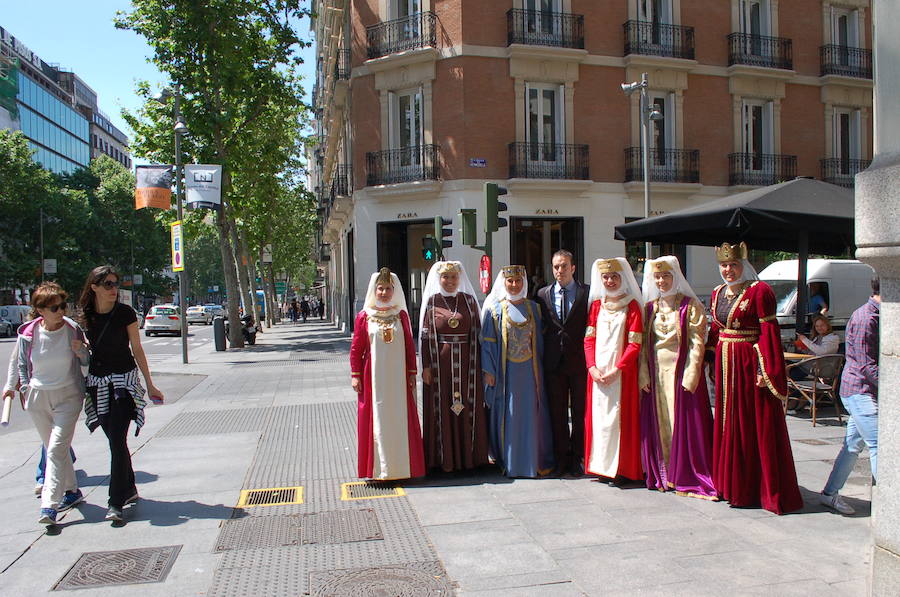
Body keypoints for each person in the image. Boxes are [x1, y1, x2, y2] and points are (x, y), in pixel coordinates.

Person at [707, 242, 803, 514]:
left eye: (733, 265)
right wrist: (708, 357)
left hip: (749, 364)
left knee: (749, 422)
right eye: (724, 265)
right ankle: (728, 484)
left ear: (743, 265)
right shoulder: (716, 293)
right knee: (727, 422)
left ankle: (750, 488)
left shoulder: (760, 292)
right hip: (726, 364)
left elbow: (769, 333)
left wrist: (766, 370)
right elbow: (716, 330)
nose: (728, 270)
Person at [78, 266, 164, 522]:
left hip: (123, 385)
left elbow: (137, 349)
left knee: (116, 440)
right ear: (94, 286)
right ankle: (129, 489)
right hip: (97, 385)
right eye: (107, 284)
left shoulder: (125, 313)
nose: (114, 289)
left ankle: (115, 502)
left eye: (116, 283)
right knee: (116, 441)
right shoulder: (86, 316)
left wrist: (149, 384)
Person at [3, 282, 90, 525]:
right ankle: (72, 491)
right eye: (54, 307)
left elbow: (87, 363)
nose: (61, 311)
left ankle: (49, 505)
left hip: (68, 396)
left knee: (55, 448)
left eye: (63, 305)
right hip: (37, 397)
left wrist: (81, 352)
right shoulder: (28, 333)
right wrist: (18, 387)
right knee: (55, 449)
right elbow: (20, 363)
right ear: (40, 310)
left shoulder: (73, 330)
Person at [638, 257, 717, 499]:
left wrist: (691, 374)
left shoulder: (690, 307)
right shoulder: (650, 308)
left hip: (680, 372)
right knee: (661, 420)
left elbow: (696, 342)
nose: (661, 281)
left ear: (676, 277)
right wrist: (643, 374)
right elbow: (643, 345)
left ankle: (685, 472)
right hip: (657, 372)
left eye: (666, 276)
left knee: (683, 422)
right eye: (658, 277)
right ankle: (664, 472)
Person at [349, 267, 425, 480]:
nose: (383, 293)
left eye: (388, 289)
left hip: (399, 379)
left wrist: (412, 372)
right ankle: (380, 469)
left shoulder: (401, 315)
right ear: (374, 290)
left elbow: (410, 345)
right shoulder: (365, 317)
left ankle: (403, 468)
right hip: (373, 378)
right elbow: (356, 348)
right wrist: (355, 374)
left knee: (400, 419)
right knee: (378, 420)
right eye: (380, 289)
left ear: (394, 290)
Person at [481, 265, 554, 478]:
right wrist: (489, 371)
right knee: (511, 415)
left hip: (532, 374)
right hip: (507, 375)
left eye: (518, 281)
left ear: (524, 283)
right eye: (510, 282)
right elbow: (488, 343)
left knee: (532, 414)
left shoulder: (535, 308)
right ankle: (512, 462)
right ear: (504, 283)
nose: (514, 285)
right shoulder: (495, 310)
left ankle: (533, 461)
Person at [419, 261, 489, 472]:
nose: (450, 282)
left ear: (460, 279)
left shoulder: (468, 301)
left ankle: (470, 456)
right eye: (445, 277)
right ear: (439, 279)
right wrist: (426, 366)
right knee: (444, 406)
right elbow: (424, 337)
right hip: (440, 366)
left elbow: (479, 334)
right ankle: (444, 458)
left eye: (453, 277)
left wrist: (481, 365)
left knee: (466, 406)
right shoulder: (432, 303)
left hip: (468, 364)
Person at [820, 278, 880, 515]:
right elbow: (868, 366)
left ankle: (829, 494)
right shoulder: (868, 318)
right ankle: (890, 509)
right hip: (860, 391)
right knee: (880, 445)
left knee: (852, 445)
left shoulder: (872, 315)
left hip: (860, 390)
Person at [583, 258, 643, 484]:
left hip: (621, 375)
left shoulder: (632, 306)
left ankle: (621, 469)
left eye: (614, 277)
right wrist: (592, 367)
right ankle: (600, 466)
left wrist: (619, 368)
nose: (609, 281)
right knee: (599, 420)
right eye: (605, 277)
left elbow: (635, 343)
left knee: (619, 420)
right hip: (598, 375)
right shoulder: (597, 306)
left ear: (622, 278)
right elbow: (589, 339)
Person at [536, 250, 589, 476]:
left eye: (564, 266)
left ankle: (578, 458)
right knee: (557, 414)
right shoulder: (541, 294)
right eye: (556, 266)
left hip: (579, 362)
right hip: (553, 364)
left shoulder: (586, 293)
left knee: (579, 413)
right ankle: (561, 459)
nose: (560, 270)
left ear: (573, 268)